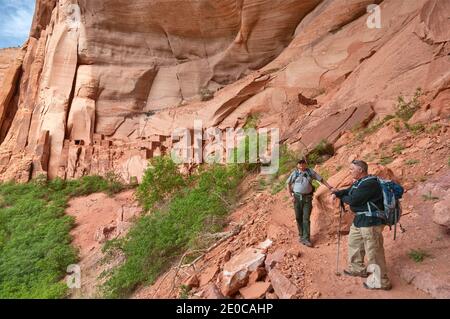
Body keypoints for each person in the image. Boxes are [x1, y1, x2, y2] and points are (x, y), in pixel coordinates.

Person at [331, 160, 392, 290]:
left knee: (374, 252)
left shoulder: (370, 183)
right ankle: (357, 268)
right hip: (360, 220)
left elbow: (353, 200)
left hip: (371, 222)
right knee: (354, 243)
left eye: (352, 169)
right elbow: (348, 191)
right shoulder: (359, 182)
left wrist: (341, 197)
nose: (349, 171)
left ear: (361, 170)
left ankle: (381, 281)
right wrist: (337, 193)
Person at [286, 160, 333, 247]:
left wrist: (329, 187)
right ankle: (301, 235)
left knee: (306, 218)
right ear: (297, 165)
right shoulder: (295, 173)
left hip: (307, 198)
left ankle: (306, 238)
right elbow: (288, 184)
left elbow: (321, 179)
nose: (301, 165)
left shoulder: (310, 172)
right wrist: (290, 196)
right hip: (296, 198)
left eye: (303, 164)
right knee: (298, 217)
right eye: (299, 164)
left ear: (305, 164)